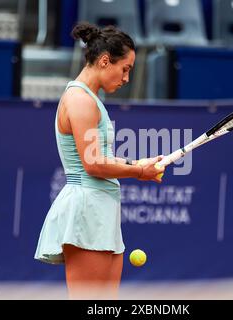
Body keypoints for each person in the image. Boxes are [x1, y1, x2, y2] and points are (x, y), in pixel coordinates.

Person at [34, 22, 165, 299]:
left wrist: (138, 163)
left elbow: (99, 157)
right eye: (125, 69)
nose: (127, 78)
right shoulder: (81, 101)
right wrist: (140, 171)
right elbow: (93, 164)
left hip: (102, 210)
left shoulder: (90, 100)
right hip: (86, 210)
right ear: (105, 60)